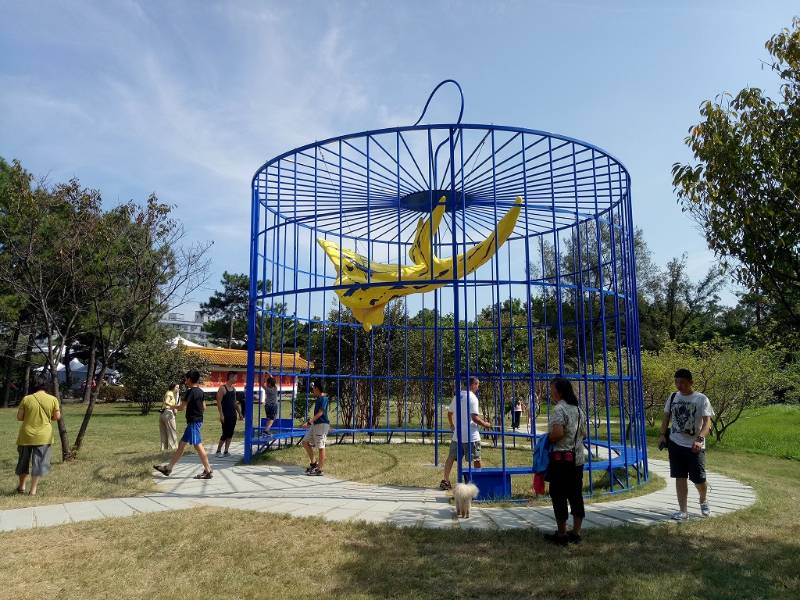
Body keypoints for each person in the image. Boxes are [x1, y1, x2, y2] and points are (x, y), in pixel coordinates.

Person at [658, 368, 714, 520]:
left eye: (682, 382)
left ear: (691, 382)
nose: (679, 385)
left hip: (695, 446)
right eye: (676, 382)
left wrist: (700, 438)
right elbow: (666, 418)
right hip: (675, 443)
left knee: (699, 479)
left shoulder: (701, 399)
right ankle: (683, 511)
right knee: (680, 477)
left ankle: (703, 499)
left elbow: (707, 423)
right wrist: (662, 435)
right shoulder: (673, 396)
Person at [543, 377, 585, 545]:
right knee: (576, 495)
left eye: (552, 389)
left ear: (559, 391)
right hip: (578, 460)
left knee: (558, 495)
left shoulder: (559, 409)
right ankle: (576, 532)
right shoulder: (578, 410)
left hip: (561, 460)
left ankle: (561, 534)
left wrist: (548, 438)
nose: (550, 392)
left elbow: (558, 433)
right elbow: (584, 434)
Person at [154, 370, 213, 479]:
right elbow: (204, 407)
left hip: (193, 423)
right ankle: (168, 468)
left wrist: (170, 406)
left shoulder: (190, 392)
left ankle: (208, 470)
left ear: (190, 379)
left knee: (198, 446)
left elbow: (181, 408)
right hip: (196, 421)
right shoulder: (200, 391)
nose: (185, 381)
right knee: (181, 446)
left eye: (186, 379)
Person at [439, 376, 492, 491]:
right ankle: (478, 482)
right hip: (471, 436)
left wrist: (452, 425)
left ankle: (446, 480)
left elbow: (449, 413)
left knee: (451, 458)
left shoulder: (457, 396)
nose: (478, 388)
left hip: (457, 436)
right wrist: (486, 424)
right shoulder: (473, 398)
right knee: (476, 459)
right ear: (473, 384)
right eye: (477, 385)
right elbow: (475, 418)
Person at [15, 376, 61, 496]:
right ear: (46, 385)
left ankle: (21, 486)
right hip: (44, 436)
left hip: (26, 435)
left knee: (23, 462)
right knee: (39, 463)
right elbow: (57, 417)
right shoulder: (53, 399)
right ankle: (33, 490)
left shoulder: (26, 399)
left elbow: (19, 417)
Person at [301, 381, 330, 476]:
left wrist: (309, 422)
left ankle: (319, 469)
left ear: (317, 388)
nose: (312, 390)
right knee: (305, 442)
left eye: (313, 388)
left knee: (321, 447)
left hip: (321, 425)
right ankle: (313, 464)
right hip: (315, 425)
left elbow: (321, 412)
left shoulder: (324, 398)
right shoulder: (319, 398)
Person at [215, 371, 242, 457]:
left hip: (233, 415)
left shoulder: (234, 389)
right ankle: (218, 451)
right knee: (225, 433)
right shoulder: (222, 388)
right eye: (235, 377)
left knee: (230, 433)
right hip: (225, 415)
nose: (236, 379)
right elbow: (218, 403)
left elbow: (235, 403)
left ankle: (226, 451)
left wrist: (240, 413)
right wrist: (221, 415)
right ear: (231, 377)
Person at [159, 383, 179, 451]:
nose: (178, 389)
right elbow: (166, 402)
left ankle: (164, 448)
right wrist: (174, 406)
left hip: (163, 413)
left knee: (163, 431)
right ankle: (174, 447)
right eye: (177, 388)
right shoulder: (170, 393)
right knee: (172, 430)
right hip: (168, 413)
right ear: (173, 388)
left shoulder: (168, 393)